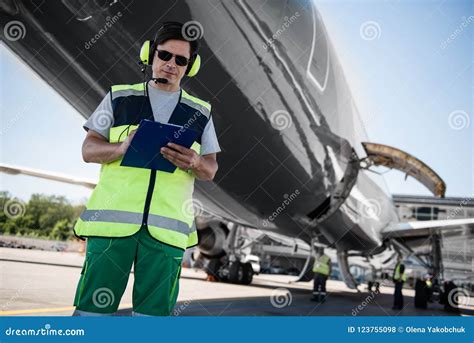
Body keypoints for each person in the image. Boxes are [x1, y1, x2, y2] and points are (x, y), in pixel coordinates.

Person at [72, 22, 220, 316]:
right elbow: (88, 150)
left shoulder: (201, 112)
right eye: (165, 56)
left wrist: (195, 161)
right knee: (92, 316)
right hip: (111, 226)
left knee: (151, 322)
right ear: (150, 55)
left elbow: (211, 169)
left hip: (166, 235)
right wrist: (119, 149)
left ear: (190, 67)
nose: (171, 65)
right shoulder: (118, 97)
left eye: (181, 61)